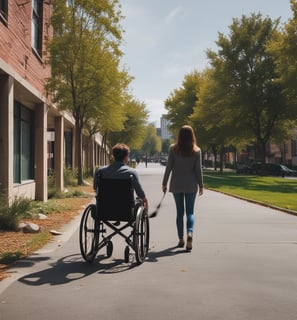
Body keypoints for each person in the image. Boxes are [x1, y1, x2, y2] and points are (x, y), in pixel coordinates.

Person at [162, 125, 204, 251]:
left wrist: (164, 183)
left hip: (176, 184)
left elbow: (168, 167)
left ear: (179, 135)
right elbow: (198, 170)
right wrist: (201, 185)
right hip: (191, 184)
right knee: (190, 212)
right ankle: (189, 233)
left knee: (180, 213)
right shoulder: (196, 150)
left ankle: (181, 239)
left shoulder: (173, 149)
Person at [94, 143, 148, 211]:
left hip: (104, 208)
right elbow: (140, 192)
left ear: (113, 156)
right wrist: (145, 200)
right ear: (126, 157)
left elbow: (95, 188)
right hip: (125, 209)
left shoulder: (100, 171)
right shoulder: (131, 173)